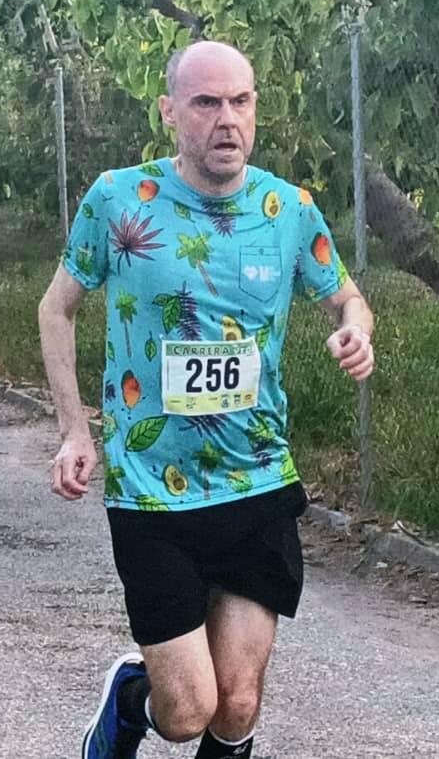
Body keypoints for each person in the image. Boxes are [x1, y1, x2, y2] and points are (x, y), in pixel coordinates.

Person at [37, 40, 376, 759]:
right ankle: (129, 700)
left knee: (239, 701)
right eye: (206, 103)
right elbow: (56, 308)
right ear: (169, 112)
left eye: (240, 101)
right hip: (151, 492)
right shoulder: (117, 199)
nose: (227, 119)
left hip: (256, 479)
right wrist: (74, 429)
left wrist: (355, 329)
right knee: (188, 710)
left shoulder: (288, 208)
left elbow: (347, 296)